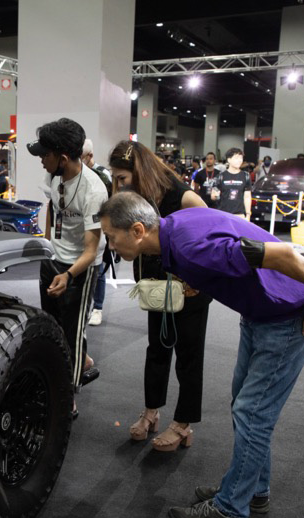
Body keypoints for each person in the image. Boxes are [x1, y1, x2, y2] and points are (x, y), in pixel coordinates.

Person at [99, 191, 304, 518]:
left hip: (285, 318)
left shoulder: (190, 247)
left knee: (251, 412)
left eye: (111, 237)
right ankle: (252, 490)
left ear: (137, 230)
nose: (110, 245)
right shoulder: (174, 227)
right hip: (260, 315)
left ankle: (231, 510)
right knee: (246, 406)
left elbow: (284, 253)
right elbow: (225, 235)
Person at [108, 140, 211, 451]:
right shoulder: (140, 198)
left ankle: (183, 424)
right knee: (157, 350)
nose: (119, 185)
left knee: (189, 356)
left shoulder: (184, 197)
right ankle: (151, 411)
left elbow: (210, 239)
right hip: (157, 286)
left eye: (122, 178)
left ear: (139, 172)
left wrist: (192, 276)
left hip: (191, 288)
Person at [27, 118, 108, 406]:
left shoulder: (94, 190)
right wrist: (47, 245)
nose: (41, 160)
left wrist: (69, 275)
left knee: (72, 332)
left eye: (45, 155)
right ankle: (77, 363)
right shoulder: (54, 175)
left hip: (80, 268)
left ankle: (67, 397)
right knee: (51, 326)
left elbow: (91, 250)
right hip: (54, 258)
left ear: (62, 158)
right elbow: (53, 206)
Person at [82, 138, 113, 326]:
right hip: (81, 227)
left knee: (99, 269)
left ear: (90, 156)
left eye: (81, 157)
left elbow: (109, 203)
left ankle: (97, 308)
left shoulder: (102, 174)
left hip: (99, 226)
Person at [212, 148, 251, 219]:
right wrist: (216, 195)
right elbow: (213, 196)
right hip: (223, 214)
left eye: (241, 158)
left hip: (239, 215)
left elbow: (247, 196)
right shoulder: (220, 176)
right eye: (236, 158)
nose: (239, 160)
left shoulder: (245, 176)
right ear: (229, 159)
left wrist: (248, 214)